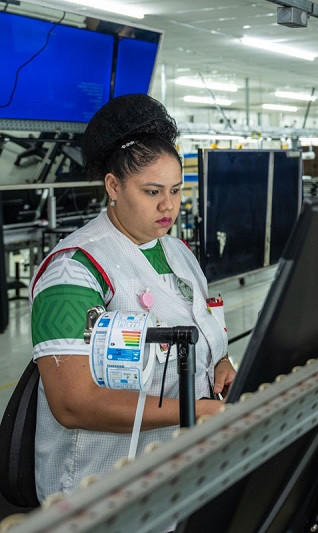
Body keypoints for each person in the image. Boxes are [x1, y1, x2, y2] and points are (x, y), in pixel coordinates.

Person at [29, 94, 235, 502]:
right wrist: (192, 412)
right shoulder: (75, 270)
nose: (168, 206)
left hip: (172, 476)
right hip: (97, 491)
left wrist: (219, 363)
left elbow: (197, 329)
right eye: (152, 191)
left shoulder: (179, 254)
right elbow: (72, 403)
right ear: (113, 186)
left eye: (176, 190)